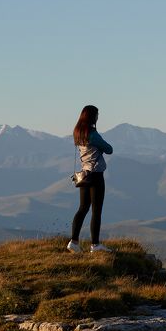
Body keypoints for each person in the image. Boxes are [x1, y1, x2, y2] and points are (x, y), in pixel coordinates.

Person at [67, 105, 113, 253]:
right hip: (96, 175)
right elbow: (109, 149)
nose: (98, 117)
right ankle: (95, 245)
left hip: (84, 175)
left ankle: (73, 242)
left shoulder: (78, 133)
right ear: (92, 117)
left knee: (82, 208)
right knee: (96, 211)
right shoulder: (93, 134)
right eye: (97, 115)